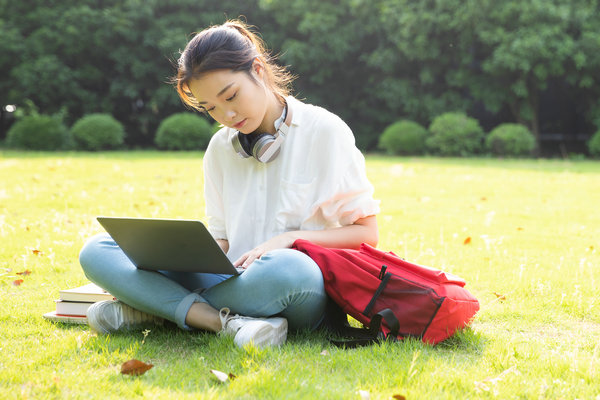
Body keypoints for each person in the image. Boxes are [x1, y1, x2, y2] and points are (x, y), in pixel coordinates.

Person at [79, 20, 380, 347]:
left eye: (231, 96)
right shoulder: (220, 148)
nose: (227, 115)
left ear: (258, 70)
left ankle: (156, 309)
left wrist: (290, 239)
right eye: (211, 108)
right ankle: (220, 322)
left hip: (296, 284)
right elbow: (222, 240)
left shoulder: (325, 131)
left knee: (287, 268)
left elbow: (366, 234)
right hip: (233, 280)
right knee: (97, 250)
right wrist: (179, 257)